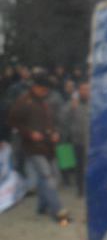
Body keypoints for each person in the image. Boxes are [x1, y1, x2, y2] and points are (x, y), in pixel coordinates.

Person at [9, 70, 69, 223]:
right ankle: (59, 212)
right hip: (33, 147)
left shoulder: (44, 102)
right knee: (47, 177)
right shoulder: (23, 102)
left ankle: (42, 206)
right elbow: (12, 121)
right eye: (43, 88)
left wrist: (55, 133)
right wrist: (29, 133)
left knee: (50, 178)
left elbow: (50, 122)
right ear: (35, 87)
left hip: (48, 146)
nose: (45, 91)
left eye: (46, 89)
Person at [64, 80, 89, 196]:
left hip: (91, 140)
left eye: (88, 89)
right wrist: (71, 108)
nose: (85, 92)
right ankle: (80, 190)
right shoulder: (73, 103)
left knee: (89, 165)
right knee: (79, 166)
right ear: (79, 91)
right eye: (83, 89)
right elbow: (63, 118)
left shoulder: (94, 103)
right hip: (78, 140)